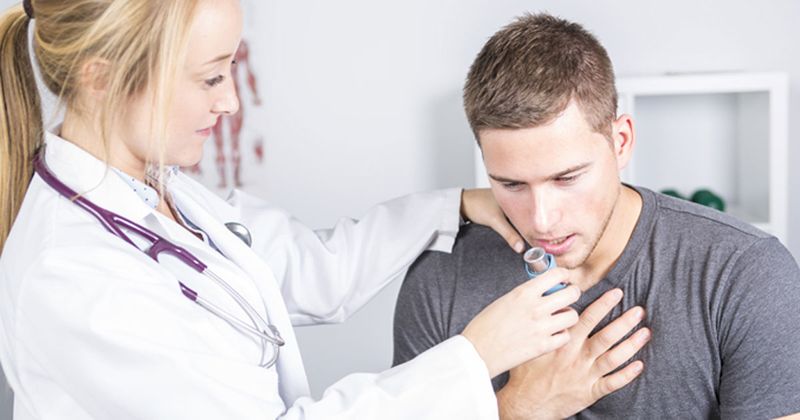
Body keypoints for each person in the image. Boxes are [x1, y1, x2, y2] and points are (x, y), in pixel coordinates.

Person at [0, 1, 586, 419]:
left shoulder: (161, 192)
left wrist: (455, 204)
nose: (229, 100)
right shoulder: (72, 274)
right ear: (100, 77)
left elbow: (315, 273)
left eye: (230, 69)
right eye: (208, 78)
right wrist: (476, 359)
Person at [393, 13, 800, 419]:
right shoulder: (441, 277)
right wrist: (518, 408)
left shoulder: (746, 273)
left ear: (620, 141)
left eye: (567, 178)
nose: (542, 220)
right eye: (512, 185)